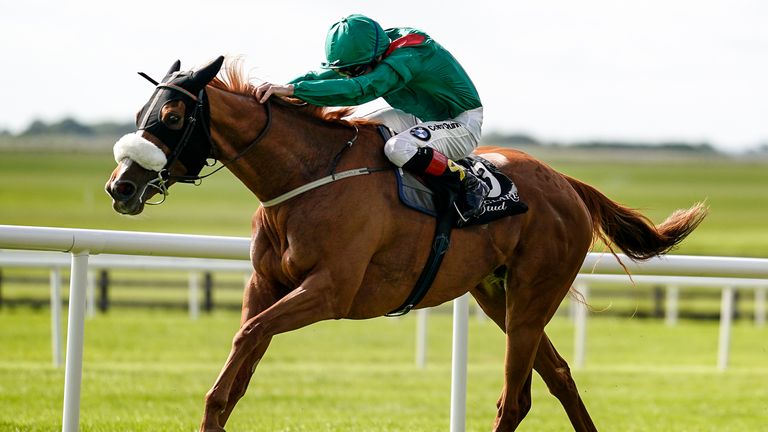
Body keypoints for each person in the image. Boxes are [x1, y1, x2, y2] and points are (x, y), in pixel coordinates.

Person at [255, 14, 489, 221]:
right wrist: (279, 88)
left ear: (376, 57)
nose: (347, 76)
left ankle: (465, 179)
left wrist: (296, 92)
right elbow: (319, 75)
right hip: (417, 117)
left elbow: (361, 89)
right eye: (343, 72)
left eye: (353, 71)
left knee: (397, 149)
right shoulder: (376, 48)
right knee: (358, 130)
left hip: (462, 124)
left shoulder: (408, 56)